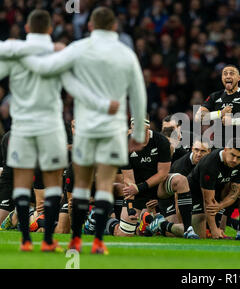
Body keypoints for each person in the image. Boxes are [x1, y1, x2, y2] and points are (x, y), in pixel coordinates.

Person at [16, 7, 148, 254]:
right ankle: (98, 241)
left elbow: (47, 69)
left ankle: (75, 240)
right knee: (106, 184)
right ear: (114, 27)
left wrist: (35, 50)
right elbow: (139, 94)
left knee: (81, 187)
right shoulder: (126, 53)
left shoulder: (78, 48)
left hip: (86, 128)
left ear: (89, 26)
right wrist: (139, 131)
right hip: (113, 129)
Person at [0, 9, 120, 252]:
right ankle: (46, 241)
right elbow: (74, 86)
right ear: (49, 30)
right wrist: (103, 105)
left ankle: (25, 240)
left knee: (22, 184)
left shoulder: (13, 55)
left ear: (26, 29)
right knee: (54, 184)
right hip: (50, 127)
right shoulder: (59, 55)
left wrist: (14, 47)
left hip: (21, 129)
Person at [188, 138, 240, 240]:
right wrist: (214, 231)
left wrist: (220, 206)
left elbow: (234, 193)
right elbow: (208, 201)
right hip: (195, 196)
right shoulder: (210, 163)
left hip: (218, 193)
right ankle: (164, 225)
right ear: (226, 149)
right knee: (198, 235)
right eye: (233, 155)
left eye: (239, 157)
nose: (235, 160)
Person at [145, 137, 212, 238]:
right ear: (192, 149)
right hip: (169, 199)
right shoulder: (181, 166)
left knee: (201, 236)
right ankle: (158, 222)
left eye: (203, 151)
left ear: (209, 152)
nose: (199, 154)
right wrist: (184, 226)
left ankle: (161, 223)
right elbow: (177, 198)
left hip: (191, 197)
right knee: (178, 232)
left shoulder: (209, 164)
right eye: (196, 150)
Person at [194, 64, 240, 148]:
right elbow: (198, 117)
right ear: (222, 78)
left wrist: (233, 121)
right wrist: (220, 113)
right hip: (218, 146)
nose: (228, 76)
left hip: (239, 147)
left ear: (239, 78)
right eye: (225, 74)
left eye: (232, 73)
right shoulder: (215, 96)